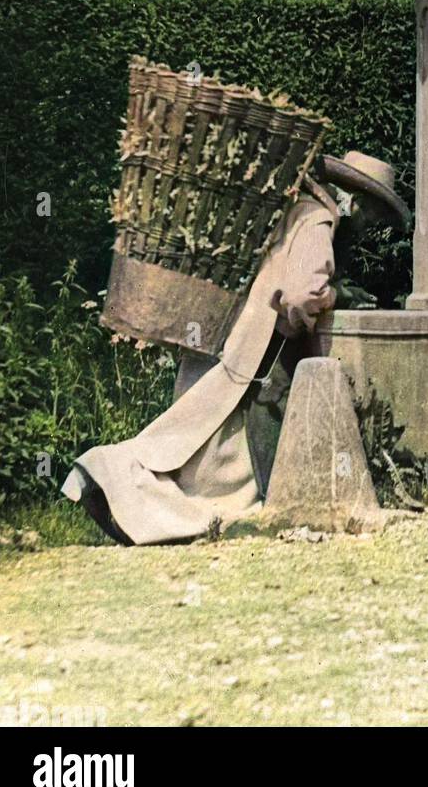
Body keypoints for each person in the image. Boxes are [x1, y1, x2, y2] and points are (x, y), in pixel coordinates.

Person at [61, 152, 410, 545]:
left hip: (235, 330)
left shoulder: (294, 207)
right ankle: (112, 476)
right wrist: (335, 296)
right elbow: (300, 295)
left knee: (206, 442)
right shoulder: (318, 221)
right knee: (215, 444)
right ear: (356, 203)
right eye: (371, 217)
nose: (368, 228)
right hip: (265, 343)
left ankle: (132, 500)